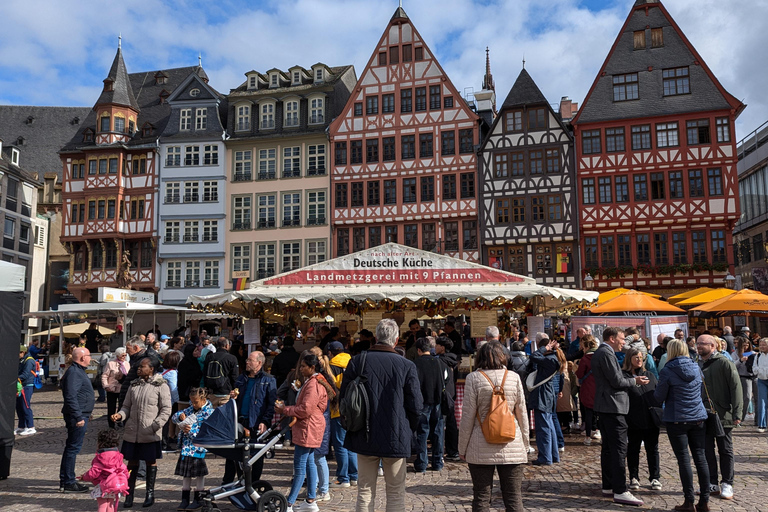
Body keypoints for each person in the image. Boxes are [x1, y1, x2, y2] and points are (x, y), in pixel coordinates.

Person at [340, 318, 423, 512]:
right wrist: (409, 429)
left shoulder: (358, 361)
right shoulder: (406, 365)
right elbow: (417, 406)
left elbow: (344, 399)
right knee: (395, 492)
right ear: (395, 341)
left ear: (376, 337)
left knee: (365, 491)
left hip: (363, 432)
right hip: (396, 434)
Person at [458, 342, 530, 512]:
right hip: (511, 442)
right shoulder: (514, 377)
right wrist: (525, 444)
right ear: (503, 356)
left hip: (480, 443)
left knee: (481, 497)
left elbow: (467, 417)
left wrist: (462, 447)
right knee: (513, 497)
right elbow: (522, 413)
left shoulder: (473, 378)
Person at [592, 326, 648, 506]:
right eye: (622, 339)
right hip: (613, 406)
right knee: (618, 449)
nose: (623, 342)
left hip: (608, 405)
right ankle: (620, 490)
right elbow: (617, 381)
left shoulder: (604, 352)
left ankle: (609, 485)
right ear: (611, 338)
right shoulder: (606, 353)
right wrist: (634, 381)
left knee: (609, 448)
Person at [654, 339, 710, 512]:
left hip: (677, 418)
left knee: (684, 460)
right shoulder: (696, 367)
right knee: (701, 459)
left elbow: (659, 397)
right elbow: (701, 393)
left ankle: (688, 501)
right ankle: (704, 501)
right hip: (698, 418)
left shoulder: (668, 370)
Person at [111, 357, 172, 508]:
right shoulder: (134, 385)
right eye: (138, 367)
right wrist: (120, 415)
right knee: (131, 463)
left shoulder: (161, 386)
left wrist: (155, 426)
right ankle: (129, 494)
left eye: (142, 367)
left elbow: (166, 409)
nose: (138, 369)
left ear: (151, 369)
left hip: (150, 432)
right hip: (133, 432)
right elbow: (126, 406)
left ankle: (149, 494)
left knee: (150, 461)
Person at [275, 354, 331, 512]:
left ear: (312, 368)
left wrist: (284, 410)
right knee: (309, 463)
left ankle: (290, 503)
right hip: (311, 426)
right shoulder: (314, 382)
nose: (300, 369)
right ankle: (311, 500)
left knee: (300, 466)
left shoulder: (313, 384)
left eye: (303, 366)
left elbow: (305, 409)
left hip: (308, 427)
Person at [697, 334, 742, 501]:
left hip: (723, 413)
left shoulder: (724, 362)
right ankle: (712, 483)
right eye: (698, 343)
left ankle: (727, 483)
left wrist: (737, 413)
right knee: (706, 449)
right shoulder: (696, 363)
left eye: (702, 344)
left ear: (713, 346)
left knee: (725, 449)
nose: (699, 346)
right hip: (703, 413)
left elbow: (736, 387)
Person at [223, 350, 276, 485]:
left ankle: (254, 484)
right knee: (234, 453)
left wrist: (265, 421)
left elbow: (271, 404)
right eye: (247, 360)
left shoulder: (268, 380)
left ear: (259, 363)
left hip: (256, 423)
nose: (247, 362)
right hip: (240, 421)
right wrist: (234, 397)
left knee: (256, 455)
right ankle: (235, 482)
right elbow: (236, 397)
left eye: (250, 360)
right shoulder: (242, 378)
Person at [622, 347, 662, 492]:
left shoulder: (650, 375)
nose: (639, 360)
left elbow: (657, 393)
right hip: (633, 419)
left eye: (641, 357)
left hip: (651, 419)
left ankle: (655, 477)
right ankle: (634, 476)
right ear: (629, 359)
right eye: (636, 357)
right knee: (633, 449)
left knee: (653, 449)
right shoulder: (625, 377)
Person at [171, 387, 214, 510]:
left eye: (196, 402)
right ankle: (184, 499)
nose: (193, 405)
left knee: (199, 474)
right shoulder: (190, 409)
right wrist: (180, 418)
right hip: (186, 447)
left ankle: (198, 497)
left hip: (198, 448)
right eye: (192, 402)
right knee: (186, 474)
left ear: (203, 399)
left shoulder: (209, 413)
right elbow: (175, 417)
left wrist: (191, 431)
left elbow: (207, 432)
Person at [59, 347, 95, 493]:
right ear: (81, 358)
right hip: (77, 416)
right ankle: (68, 481)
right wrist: (78, 416)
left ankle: (67, 480)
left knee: (72, 448)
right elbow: (70, 396)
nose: (90, 358)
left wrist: (86, 412)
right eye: (88, 355)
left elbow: (80, 395)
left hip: (82, 413)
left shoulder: (78, 371)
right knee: (72, 448)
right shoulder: (74, 372)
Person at [413, 337, 448, 473]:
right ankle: (437, 462)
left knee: (422, 432)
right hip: (437, 401)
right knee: (438, 432)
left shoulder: (416, 364)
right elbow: (446, 378)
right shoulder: (440, 363)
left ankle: (422, 463)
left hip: (423, 401)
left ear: (419, 350)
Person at [328, 341, 358, 487]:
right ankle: (354, 476)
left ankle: (343, 477)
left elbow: (331, 388)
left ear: (330, 353)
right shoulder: (354, 363)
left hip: (338, 409)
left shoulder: (331, 367)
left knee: (340, 444)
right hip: (354, 408)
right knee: (352, 442)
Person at [529, 333, 560, 465]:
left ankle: (545, 457)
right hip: (547, 396)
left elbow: (533, 356)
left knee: (544, 428)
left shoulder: (550, 360)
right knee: (549, 426)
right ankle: (552, 455)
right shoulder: (552, 359)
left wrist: (544, 349)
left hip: (543, 396)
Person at [80, 429, 130, 512]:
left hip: (102, 485)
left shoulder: (99, 457)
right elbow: (123, 468)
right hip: (113, 485)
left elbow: (93, 472)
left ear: (100, 443)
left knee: (102, 505)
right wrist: (126, 475)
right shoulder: (118, 456)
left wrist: (84, 477)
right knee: (110, 505)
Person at [435, 336, 460, 461]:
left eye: (437, 345)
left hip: (442, 393)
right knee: (451, 422)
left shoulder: (439, 361)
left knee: (440, 423)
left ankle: (440, 451)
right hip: (451, 392)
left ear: (442, 348)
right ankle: (453, 450)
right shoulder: (454, 360)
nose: (435, 347)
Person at [118, 337, 160, 408]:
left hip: (136, 400)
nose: (126, 351)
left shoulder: (143, 361)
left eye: (128, 348)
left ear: (135, 347)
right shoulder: (137, 359)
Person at [576, 334, 599, 445]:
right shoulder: (600, 356)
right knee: (600, 413)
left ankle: (588, 437)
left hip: (588, 388)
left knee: (588, 413)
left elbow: (580, 374)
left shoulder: (585, 359)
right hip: (599, 388)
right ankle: (598, 432)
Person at [202, 337, 239, 408]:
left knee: (211, 416)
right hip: (226, 393)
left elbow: (205, 373)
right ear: (227, 346)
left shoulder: (209, 357)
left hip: (212, 392)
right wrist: (235, 389)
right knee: (224, 417)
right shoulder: (232, 358)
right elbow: (235, 376)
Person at [101, 347, 129, 429]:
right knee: (111, 408)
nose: (124, 357)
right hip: (112, 389)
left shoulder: (127, 364)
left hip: (122, 389)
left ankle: (120, 420)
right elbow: (104, 376)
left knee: (122, 406)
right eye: (122, 355)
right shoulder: (110, 364)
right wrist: (106, 386)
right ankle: (111, 424)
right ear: (117, 355)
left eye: (125, 355)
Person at [746, 337, 768, 432]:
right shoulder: (757, 355)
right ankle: (762, 425)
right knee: (761, 402)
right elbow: (754, 367)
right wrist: (758, 371)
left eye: (764, 345)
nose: (762, 346)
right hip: (761, 380)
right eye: (761, 345)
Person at [161, 350, 181, 451]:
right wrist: (178, 400)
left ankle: (164, 440)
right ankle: (164, 444)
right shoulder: (172, 373)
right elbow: (173, 389)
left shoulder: (161, 370)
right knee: (165, 422)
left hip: (161, 399)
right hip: (169, 400)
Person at [16, 345, 37, 436]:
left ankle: (31, 427)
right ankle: (21, 426)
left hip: (27, 385)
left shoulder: (29, 361)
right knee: (19, 406)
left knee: (25, 406)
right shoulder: (22, 360)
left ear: (22, 352)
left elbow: (25, 374)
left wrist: (15, 378)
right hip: (21, 385)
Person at [734, 337, 755, 422]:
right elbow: (733, 365)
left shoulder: (752, 353)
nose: (746, 347)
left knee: (757, 398)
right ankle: (741, 418)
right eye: (744, 346)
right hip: (744, 376)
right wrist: (740, 360)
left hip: (755, 375)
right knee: (747, 397)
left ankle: (758, 420)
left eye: (747, 345)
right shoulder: (735, 353)